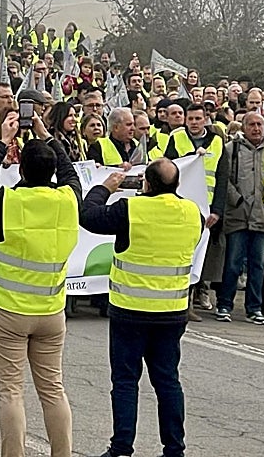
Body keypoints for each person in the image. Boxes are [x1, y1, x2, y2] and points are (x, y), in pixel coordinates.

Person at [0, 109, 81, 457]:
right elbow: (70, 174)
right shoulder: (68, 200)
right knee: (53, 389)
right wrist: (47, 135)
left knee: (11, 391)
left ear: (20, 170)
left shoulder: (9, 201)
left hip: (9, 311)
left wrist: (2, 143)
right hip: (51, 310)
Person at [80, 158, 206, 457]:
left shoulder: (130, 209)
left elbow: (87, 216)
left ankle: (122, 447)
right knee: (167, 381)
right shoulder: (194, 214)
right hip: (172, 312)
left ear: (146, 184)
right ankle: (174, 449)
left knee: (125, 381)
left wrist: (104, 188)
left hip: (130, 311)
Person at [211, 111, 264, 324]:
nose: (256, 128)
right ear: (243, 127)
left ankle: (255, 308)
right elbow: (224, 179)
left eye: (259, 124)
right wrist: (236, 199)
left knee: (258, 265)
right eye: (252, 125)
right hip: (237, 215)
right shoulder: (231, 149)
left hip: (263, 216)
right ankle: (224, 304)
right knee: (233, 263)